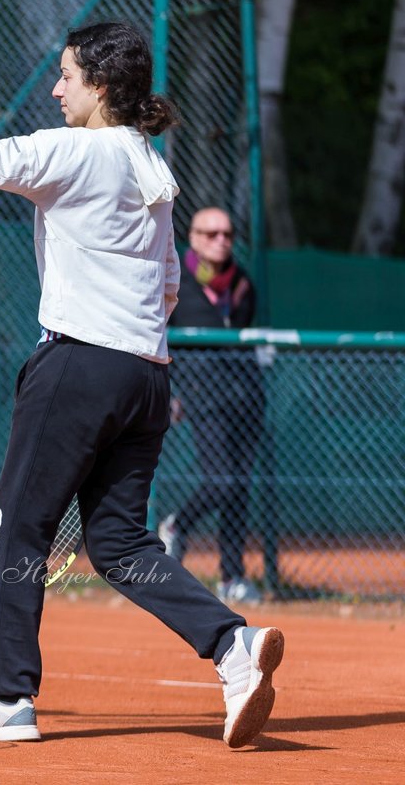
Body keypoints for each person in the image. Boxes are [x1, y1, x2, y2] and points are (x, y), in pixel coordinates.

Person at [0, 23, 283, 748]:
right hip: (145, 374)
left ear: (102, 87)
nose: (56, 89)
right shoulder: (150, 164)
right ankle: (231, 647)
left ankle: (6, 698)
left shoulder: (78, 151)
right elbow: (171, 284)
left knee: (16, 528)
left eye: (66, 76)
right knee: (119, 545)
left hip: (78, 366)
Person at [159, 207, 266, 605]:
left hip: (247, 396)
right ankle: (176, 525)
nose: (222, 240)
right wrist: (172, 391)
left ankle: (232, 577)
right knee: (221, 480)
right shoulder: (176, 281)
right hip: (204, 396)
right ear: (195, 237)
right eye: (212, 233)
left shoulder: (241, 284)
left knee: (239, 487)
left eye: (227, 233)